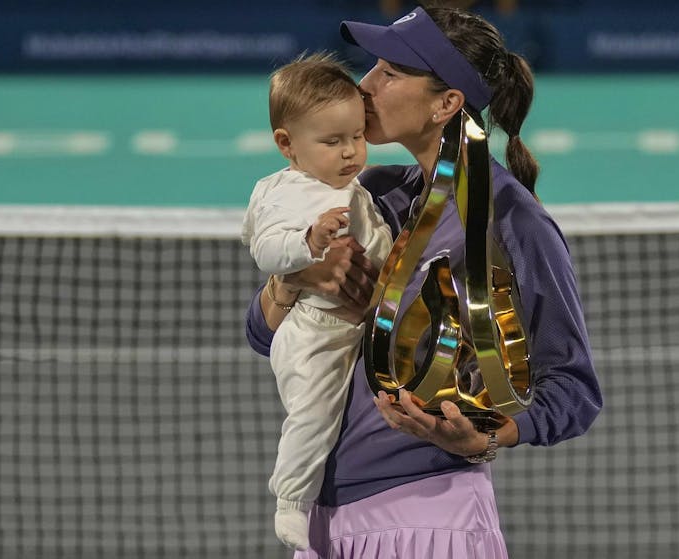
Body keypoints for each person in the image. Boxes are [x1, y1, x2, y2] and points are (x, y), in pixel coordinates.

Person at [245, 7, 602, 557]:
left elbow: (573, 390)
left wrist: (483, 436)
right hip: (322, 522)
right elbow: (263, 335)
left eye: (389, 72)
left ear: (446, 103)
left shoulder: (510, 219)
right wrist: (292, 284)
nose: (363, 85)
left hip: (429, 513)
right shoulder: (372, 194)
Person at [240, 52, 393, 550]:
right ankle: (291, 499)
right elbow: (265, 249)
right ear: (287, 144)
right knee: (313, 413)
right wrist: (308, 246)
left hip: (357, 330)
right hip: (314, 332)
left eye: (356, 136)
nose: (351, 152)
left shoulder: (348, 185)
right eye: (333, 142)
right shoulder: (292, 194)